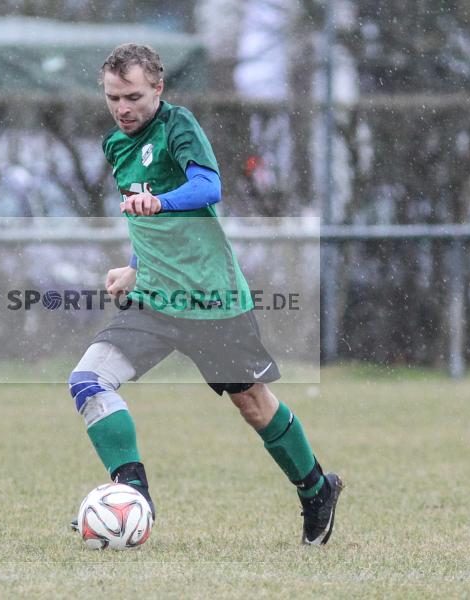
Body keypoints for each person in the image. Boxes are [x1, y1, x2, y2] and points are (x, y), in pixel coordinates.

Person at [69, 43, 343, 545]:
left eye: (133, 96)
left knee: (254, 405)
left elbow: (208, 186)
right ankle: (135, 498)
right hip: (154, 297)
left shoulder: (178, 126)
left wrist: (161, 200)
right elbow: (146, 222)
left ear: (158, 88)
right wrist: (134, 269)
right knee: (88, 381)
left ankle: (316, 489)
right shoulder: (115, 145)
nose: (123, 108)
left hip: (210, 299)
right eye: (113, 97)